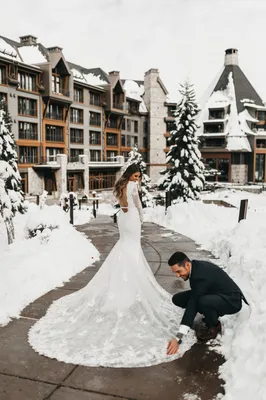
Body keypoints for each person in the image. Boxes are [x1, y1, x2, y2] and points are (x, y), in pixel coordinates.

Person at [28, 164, 195, 368]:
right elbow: (138, 205)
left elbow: (122, 206)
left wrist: (131, 213)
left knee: (126, 246)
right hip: (132, 219)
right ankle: (131, 285)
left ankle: (125, 285)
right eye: (135, 175)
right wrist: (141, 217)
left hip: (124, 219)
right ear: (130, 174)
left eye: (139, 176)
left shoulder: (121, 185)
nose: (137, 178)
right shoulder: (133, 186)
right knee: (132, 249)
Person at [167, 252, 248, 355]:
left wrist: (179, 337)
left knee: (201, 301)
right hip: (215, 293)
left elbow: (193, 304)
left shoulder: (201, 276)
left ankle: (214, 325)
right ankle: (210, 312)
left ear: (187, 264)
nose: (177, 275)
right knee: (178, 299)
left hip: (231, 301)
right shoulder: (194, 266)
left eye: (178, 271)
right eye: (175, 273)